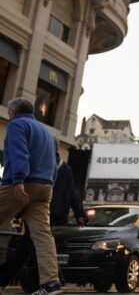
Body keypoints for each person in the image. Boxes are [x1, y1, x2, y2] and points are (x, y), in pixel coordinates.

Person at [0, 97, 62, 295]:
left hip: (20, 183)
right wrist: (49, 183)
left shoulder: (17, 125)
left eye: (9, 114)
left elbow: (20, 153)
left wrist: (18, 180)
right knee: (42, 235)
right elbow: (55, 164)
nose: (9, 117)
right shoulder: (47, 133)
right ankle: (51, 283)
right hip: (45, 187)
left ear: (14, 112)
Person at [0, 151, 87, 288]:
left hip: (39, 209)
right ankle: (50, 280)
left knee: (31, 245)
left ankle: (51, 280)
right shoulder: (65, 168)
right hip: (53, 212)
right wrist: (79, 214)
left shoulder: (42, 164)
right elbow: (73, 192)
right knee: (32, 245)